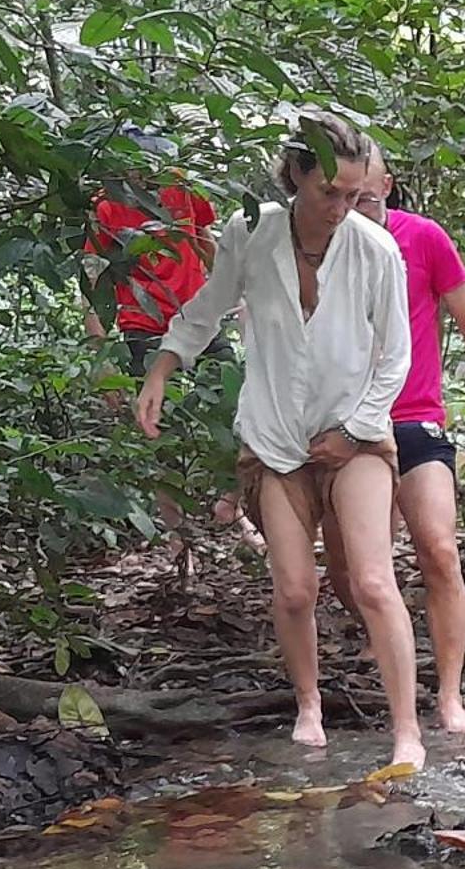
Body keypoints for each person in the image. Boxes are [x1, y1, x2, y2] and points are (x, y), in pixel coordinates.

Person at [134, 113, 425, 766]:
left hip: (356, 432)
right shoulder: (250, 232)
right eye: (329, 193)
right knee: (294, 588)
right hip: (272, 437)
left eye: (355, 196)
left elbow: (396, 358)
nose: (342, 208)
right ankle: (308, 706)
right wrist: (161, 369)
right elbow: (207, 308)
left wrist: (353, 432)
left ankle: (407, 730)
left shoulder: (375, 249)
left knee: (374, 582)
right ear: (295, 173)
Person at [348, 147, 465, 736]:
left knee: (439, 550)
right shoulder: (318, 244)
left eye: (364, 197)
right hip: (347, 429)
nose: (355, 208)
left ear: (386, 187)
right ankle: (386, 666)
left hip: (416, 418)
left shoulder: (422, 239)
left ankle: (448, 697)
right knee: (359, 571)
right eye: (343, 198)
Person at [83, 130, 218, 379]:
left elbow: (204, 240)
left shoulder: (183, 187)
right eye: (140, 167)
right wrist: (100, 360)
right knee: (155, 407)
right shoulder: (107, 207)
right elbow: (91, 284)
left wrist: (233, 294)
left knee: (228, 389)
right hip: (144, 325)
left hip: (197, 313)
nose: (148, 176)